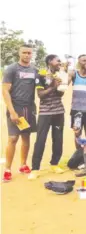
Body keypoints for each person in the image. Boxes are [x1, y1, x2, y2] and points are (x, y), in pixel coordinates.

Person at [2, 45, 38, 182]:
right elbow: (5, 91)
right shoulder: (11, 69)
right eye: (24, 52)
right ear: (19, 53)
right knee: (13, 138)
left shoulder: (34, 70)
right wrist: (12, 111)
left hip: (29, 108)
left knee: (26, 137)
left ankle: (23, 165)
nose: (27, 55)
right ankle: (7, 169)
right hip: (15, 107)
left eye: (29, 53)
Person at [29, 55, 66, 179]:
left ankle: (54, 163)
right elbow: (40, 95)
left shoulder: (60, 75)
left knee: (58, 139)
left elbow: (60, 94)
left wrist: (61, 86)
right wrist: (53, 86)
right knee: (40, 140)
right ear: (50, 62)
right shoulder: (41, 75)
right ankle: (35, 168)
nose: (59, 63)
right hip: (45, 113)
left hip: (59, 112)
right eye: (58, 60)